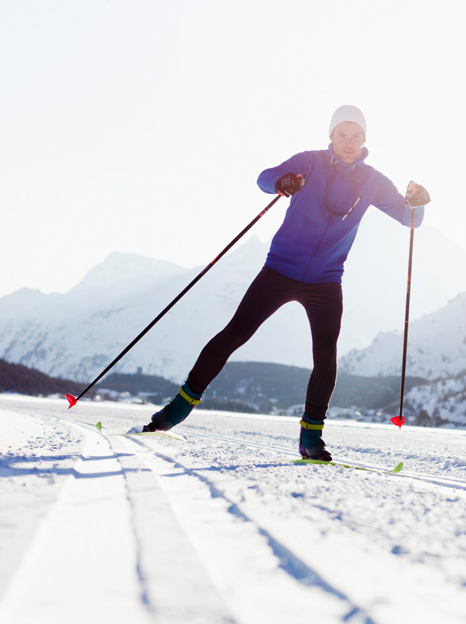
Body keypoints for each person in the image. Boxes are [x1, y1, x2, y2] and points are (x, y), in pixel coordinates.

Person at [137, 105, 429, 460]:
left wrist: (418, 202)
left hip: (325, 280)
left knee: (326, 358)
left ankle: (311, 438)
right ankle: (174, 412)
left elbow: (408, 218)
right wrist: (281, 182)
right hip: (280, 269)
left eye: (356, 136)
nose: (349, 142)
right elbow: (265, 177)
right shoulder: (309, 162)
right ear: (331, 136)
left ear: (365, 139)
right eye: (342, 134)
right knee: (235, 334)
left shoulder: (373, 181)